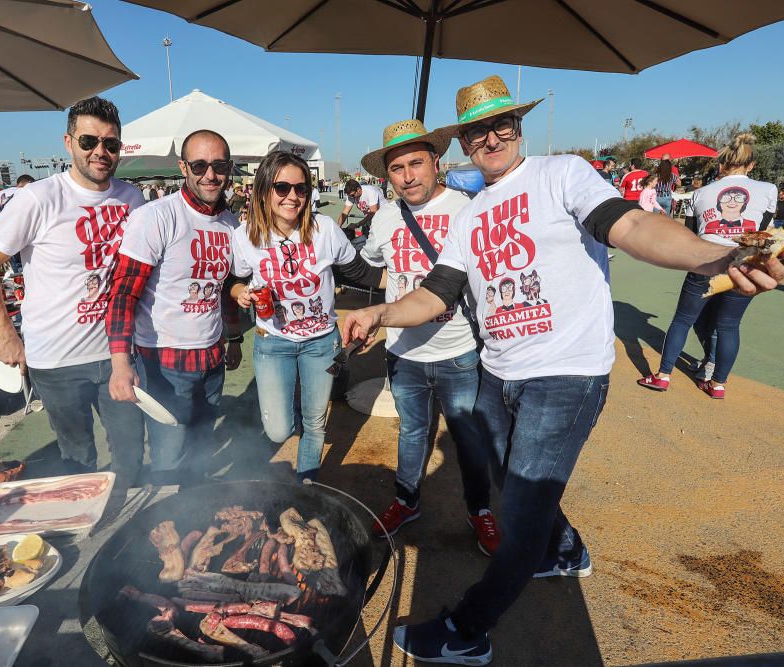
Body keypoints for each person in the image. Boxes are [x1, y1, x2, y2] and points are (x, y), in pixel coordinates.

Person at [340, 77, 784, 665]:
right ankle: (565, 549)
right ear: (464, 142)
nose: (491, 137)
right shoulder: (470, 214)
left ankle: (468, 630)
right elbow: (435, 293)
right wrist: (379, 312)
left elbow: (632, 227)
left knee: (521, 509)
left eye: (501, 123)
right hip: (498, 372)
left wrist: (719, 256)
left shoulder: (562, 174)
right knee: (508, 474)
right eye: (478, 130)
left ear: (519, 126)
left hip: (566, 375)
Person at [0, 96, 147, 487]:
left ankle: (134, 523)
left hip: (117, 353)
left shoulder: (133, 198)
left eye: (111, 143)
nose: (100, 151)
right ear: (68, 143)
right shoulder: (38, 198)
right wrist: (5, 334)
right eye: (89, 141)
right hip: (57, 359)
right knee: (78, 457)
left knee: (131, 451)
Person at [357, 118, 501, 553]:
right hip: (403, 353)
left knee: (468, 437)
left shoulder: (467, 208)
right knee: (413, 432)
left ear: (435, 162)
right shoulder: (384, 217)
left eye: (416, 163)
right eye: (397, 169)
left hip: (458, 350)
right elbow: (374, 268)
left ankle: (480, 510)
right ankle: (406, 500)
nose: (408, 176)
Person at [228, 151, 380, 484]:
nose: (293, 196)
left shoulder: (324, 229)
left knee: (315, 422)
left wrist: (409, 280)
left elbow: (360, 273)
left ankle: (306, 486)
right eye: (282, 188)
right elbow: (235, 280)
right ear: (265, 189)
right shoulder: (245, 235)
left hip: (321, 343)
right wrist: (240, 293)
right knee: (279, 427)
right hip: (273, 343)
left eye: (301, 189)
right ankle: (294, 410)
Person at [105, 129, 243, 486]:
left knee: (201, 444)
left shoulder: (230, 223)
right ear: (184, 167)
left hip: (211, 359)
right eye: (199, 165)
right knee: (168, 453)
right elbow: (122, 294)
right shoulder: (156, 216)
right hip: (164, 363)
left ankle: (195, 509)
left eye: (219, 165)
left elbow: (225, 287)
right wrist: (120, 363)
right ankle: (166, 519)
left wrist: (235, 338)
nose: (210, 175)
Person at [638, 133, 779, 399]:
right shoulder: (769, 189)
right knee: (728, 325)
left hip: (704, 261)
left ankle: (663, 376)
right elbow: (760, 231)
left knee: (683, 319)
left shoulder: (700, 193)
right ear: (751, 165)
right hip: (744, 261)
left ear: (721, 165)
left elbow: (691, 235)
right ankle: (717, 384)